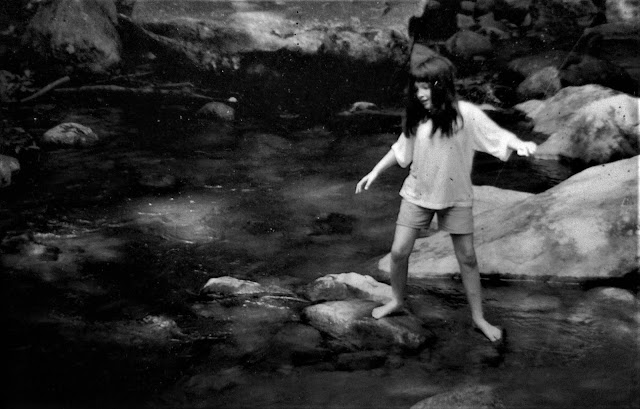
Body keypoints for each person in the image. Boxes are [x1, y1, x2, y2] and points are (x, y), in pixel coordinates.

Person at [355, 44, 537, 342]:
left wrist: (519, 144)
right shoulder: (417, 117)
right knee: (399, 252)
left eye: (426, 88)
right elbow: (400, 150)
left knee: (468, 258)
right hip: (417, 194)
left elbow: (496, 135)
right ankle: (397, 300)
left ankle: (479, 318)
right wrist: (375, 171)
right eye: (417, 88)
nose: (420, 94)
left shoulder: (465, 115)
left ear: (442, 86)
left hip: (455, 197)